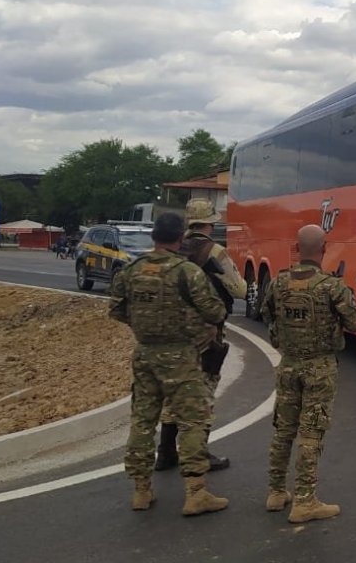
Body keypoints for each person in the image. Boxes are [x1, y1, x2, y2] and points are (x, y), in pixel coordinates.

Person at [108, 212, 229, 516]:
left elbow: (117, 310)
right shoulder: (186, 272)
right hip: (181, 357)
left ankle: (141, 490)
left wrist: (145, 327)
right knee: (192, 421)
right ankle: (196, 493)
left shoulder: (131, 270)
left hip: (145, 355)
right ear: (179, 238)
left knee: (142, 421)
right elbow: (215, 312)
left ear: (153, 236)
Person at [261, 224, 356, 523]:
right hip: (319, 368)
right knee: (311, 432)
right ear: (324, 248)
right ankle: (305, 500)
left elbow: (266, 313)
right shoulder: (331, 287)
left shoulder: (278, 283)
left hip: (288, 364)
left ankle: (276, 491)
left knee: (283, 429)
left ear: (296, 249)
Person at [154, 198, 247, 472]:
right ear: (210, 223)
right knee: (204, 392)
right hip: (206, 332)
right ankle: (199, 454)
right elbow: (239, 290)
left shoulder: (174, 249)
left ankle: (166, 451)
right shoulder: (214, 251)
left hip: (172, 331)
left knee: (173, 391)